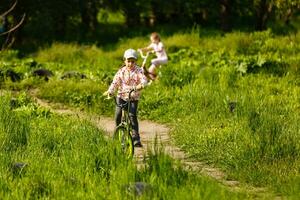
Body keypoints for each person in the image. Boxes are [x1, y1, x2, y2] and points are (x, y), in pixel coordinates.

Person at [103, 49, 148, 147]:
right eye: (128, 61)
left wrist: (141, 85)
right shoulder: (121, 71)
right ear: (125, 61)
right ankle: (118, 132)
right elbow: (115, 82)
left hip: (133, 97)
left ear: (135, 61)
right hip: (121, 96)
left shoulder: (138, 70)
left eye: (133, 61)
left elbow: (144, 80)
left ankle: (136, 138)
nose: (130, 63)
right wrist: (110, 91)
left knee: (132, 115)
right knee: (118, 114)